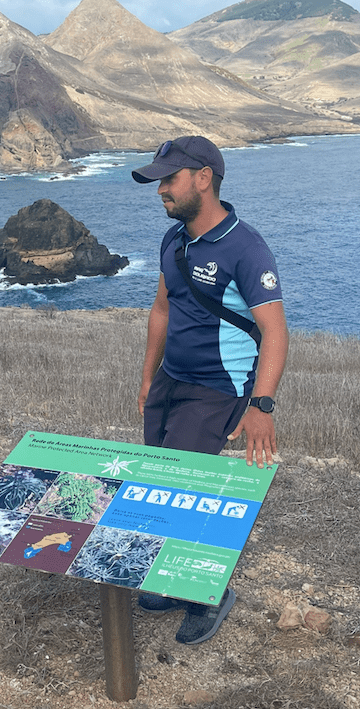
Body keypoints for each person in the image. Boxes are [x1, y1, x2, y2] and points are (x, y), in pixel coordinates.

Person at [132, 136, 289, 645]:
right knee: (159, 480)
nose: (161, 190)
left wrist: (261, 405)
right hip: (172, 381)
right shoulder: (173, 239)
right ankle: (174, 580)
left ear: (203, 178)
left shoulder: (246, 247)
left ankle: (207, 594)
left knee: (189, 489)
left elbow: (275, 331)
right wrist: (149, 376)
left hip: (218, 388)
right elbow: (162, 308)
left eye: (169, 179)